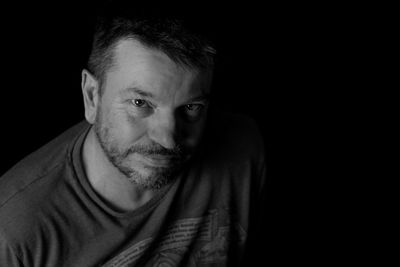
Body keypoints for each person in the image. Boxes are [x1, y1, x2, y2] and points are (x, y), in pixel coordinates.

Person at [0, 3, 266, 266]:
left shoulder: (244, 150)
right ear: (92, 96)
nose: (168, 139)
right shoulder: (15, 230)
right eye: (140, 103)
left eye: (190, 107)